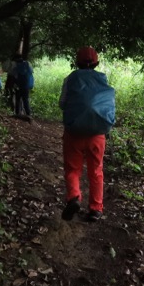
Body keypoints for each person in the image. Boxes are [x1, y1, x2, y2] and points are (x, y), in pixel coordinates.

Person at [59, 46, 116, 222]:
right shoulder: (102, 79)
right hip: (97, 134)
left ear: (77, 62)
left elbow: (62, 103)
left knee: (73, 169)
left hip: (74, 133)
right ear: (96, 62)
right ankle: (96, 209)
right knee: (96, 171)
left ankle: (74, 198)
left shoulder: (71, 79)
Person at [11, 54, 34, 121]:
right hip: (26, 85)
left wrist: (15, 84)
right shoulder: (27, 64)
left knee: (18, 100)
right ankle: (28, 114)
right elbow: (31, 73)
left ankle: (18, 113)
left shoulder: (15, 66)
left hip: (19, 86)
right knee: (25, 100)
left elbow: (14, 75)